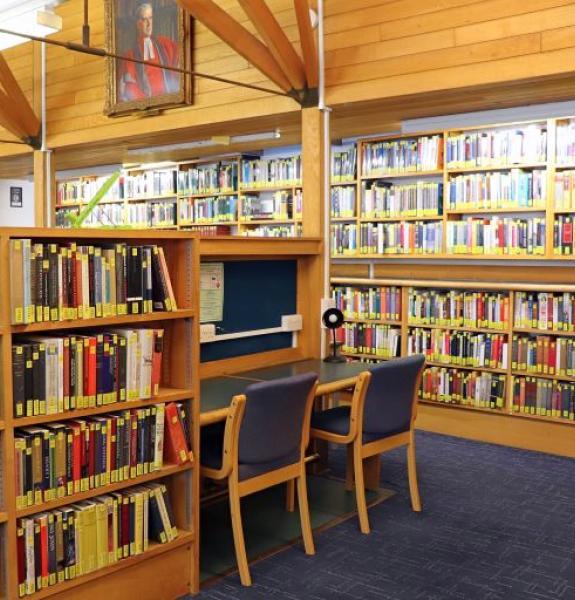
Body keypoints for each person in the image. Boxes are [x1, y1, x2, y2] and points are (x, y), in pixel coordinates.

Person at [119, 3, 180, 102]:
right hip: (146, 103)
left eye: (150, 18)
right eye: (144, 19)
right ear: (138, 24)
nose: (149, 24)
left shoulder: (164, 44)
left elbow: (180, 59)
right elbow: (130, 88)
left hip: (169, 100)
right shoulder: (130, 55)